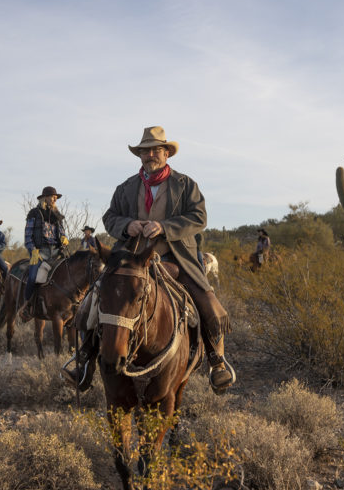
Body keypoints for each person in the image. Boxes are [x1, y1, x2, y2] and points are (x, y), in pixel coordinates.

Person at [64, 126, 236, 394]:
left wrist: (165, 227)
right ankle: (84, 359)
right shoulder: (126, 188)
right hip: (130, 258)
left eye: (156, 150)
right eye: (145, 151)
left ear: (167, 153)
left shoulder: (185, 184)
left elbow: (199, 217)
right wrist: (127, 225)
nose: (150, 155)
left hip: (175, 256)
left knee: (207, 302)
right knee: (94, 297)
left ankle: (217, 360)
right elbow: (110, 218)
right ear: (140, 155)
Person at [20, 186, 69, 320]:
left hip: (56, 251)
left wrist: (64, 239)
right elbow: (28, 235)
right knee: (32, 277)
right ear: (45, 198)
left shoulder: (57, 215)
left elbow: (63, 232)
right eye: (53, 197)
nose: (55, 199)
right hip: (39, 251)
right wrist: (32, 250)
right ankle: (27, 305)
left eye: (56, 198)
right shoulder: (34, 213)